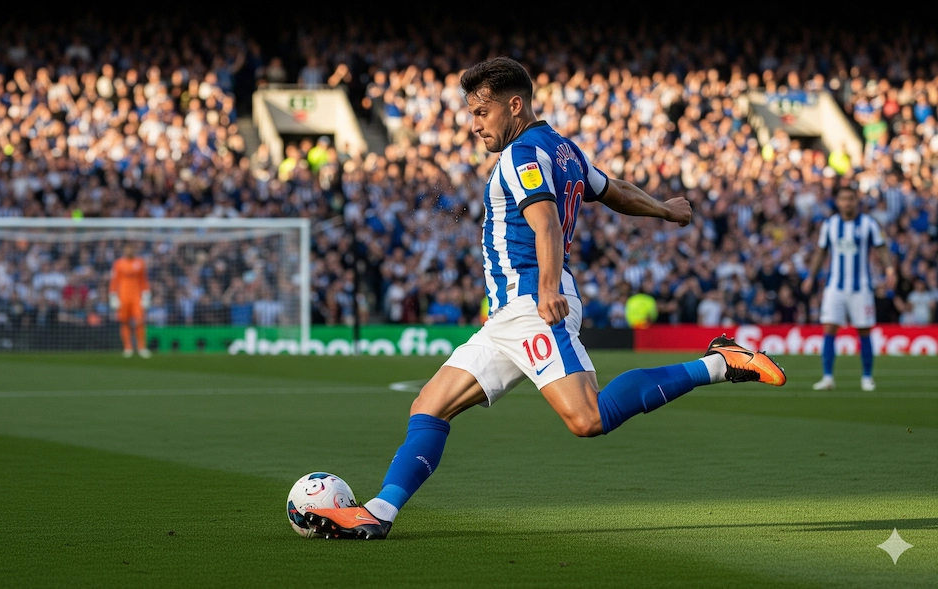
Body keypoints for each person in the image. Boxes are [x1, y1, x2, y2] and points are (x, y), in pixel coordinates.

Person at [303, 57, 786, 540]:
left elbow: (546, 222)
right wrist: (663, 209)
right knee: (429, 406)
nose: (475, 125)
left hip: (534, 306)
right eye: (472, 114)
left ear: (515, 106)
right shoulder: (564, 150)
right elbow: (611, 189)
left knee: (588, 418)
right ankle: (379, 513)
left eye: (482, 113)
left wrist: (549, 288)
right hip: (506, 318)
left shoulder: (520, 157)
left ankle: (720, 363)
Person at [801, 186, 895, 391]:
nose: (847, 203)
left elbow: (882, 247)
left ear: (856, 201)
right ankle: (827, 377)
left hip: (861, 287)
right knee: (829, 328)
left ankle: (867, 377)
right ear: (838, 202)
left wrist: (889, 270)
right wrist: (810, 276)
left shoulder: (869, 223)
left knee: (864, 330)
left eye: (850, 199)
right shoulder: (830, 224)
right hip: (835, 286)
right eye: (843, 199)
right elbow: (820, 252)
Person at [109, 242, 152, 358]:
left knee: (140, 321)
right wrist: (113, 295)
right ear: (124, 250)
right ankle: (128, 348)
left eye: (131, 249)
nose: (129, 251)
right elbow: (114, 280)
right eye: (127, 249)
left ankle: (141, 347)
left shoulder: (140, 262)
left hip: (136, 297)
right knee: (124, 322)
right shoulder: (118, 264)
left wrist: (146, 295)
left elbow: (144, 280)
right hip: (123, 297)